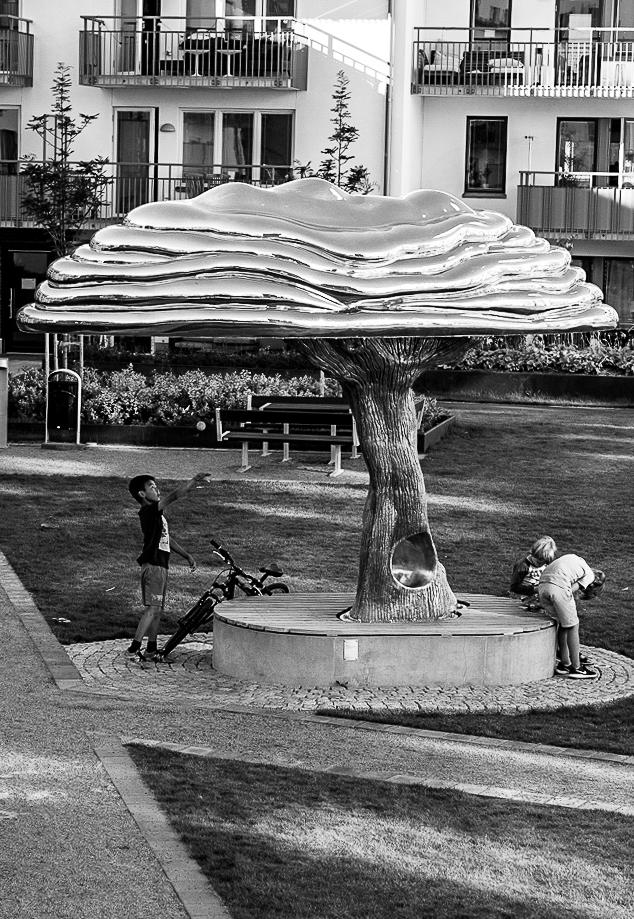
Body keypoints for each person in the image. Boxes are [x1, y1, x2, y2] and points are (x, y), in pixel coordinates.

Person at [127, 471, 211, 660]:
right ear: (142, 494)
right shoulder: (149, 511)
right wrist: (193, 481)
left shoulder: (158, 516)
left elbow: (167, 539)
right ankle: (134, 648)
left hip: (162, 566)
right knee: (152, 609)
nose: (157, 489)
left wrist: (186, 555)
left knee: (157, 610)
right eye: (152, 487)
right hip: (154, 566)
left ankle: (151, 649)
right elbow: (174, 496)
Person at [537, 553, 606, 680]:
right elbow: (570, 589)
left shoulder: (576, 560)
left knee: (564, 625)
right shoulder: (590, 575)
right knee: (574, 625)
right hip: (558, 588)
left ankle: (565, 664)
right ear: (593, 584)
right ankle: (577, 668)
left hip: (542, 587)